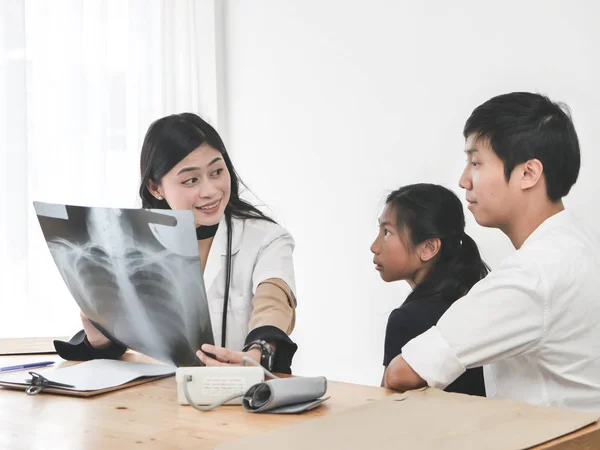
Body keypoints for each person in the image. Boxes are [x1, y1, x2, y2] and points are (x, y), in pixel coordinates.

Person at [384, 92, 600, 411]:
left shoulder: (532, 275)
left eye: (476, 162)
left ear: (528, 173)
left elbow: (402, 373)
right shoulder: (581, 247)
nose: (463, 180)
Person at [55, 113, 298, 373]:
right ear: (155, 188)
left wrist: (258, 350)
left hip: (241, 396)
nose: (210, 190)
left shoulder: (266, 238)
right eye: (191, 180)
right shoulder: (130, 243)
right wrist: (101, 341)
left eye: (217, 171)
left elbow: (275, 302)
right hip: (159, 399)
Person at [372, 183, 489, 396]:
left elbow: (385, 410)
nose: (375, 246)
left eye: (387, 232)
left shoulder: (407, 321)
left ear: (428, 248)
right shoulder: (471, 305)